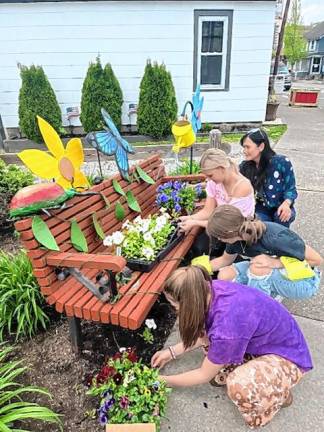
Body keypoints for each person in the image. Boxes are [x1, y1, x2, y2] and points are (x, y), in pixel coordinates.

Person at [151, 266, 313, 429]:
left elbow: (203, 375)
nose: (174, 309)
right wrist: (171, 352)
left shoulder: (226, 329)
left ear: (189, 302)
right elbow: (205, 334)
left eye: (174, 304)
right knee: (214, 350)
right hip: (268, 340)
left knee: (238, 384)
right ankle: (250, 369)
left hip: (289, 356)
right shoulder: (207, 288)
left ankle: (278, 393)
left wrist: (161, 381)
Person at [206, 205, 322, 299]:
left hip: (304, 280)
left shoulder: (275, 236)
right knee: (225, 275)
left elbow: (316, 260)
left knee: (257, 268)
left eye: (219, 236)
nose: (219, 239)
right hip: (276, 272)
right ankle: (244, 301)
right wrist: (198, 269)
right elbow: (224, 260)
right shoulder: (235, 239)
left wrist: (275, 262)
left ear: (229, 232)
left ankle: (259, 309)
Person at [178, 148, 255, 257]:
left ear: (221, 168)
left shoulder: (242, 187)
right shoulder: (214, 182)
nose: (208, 180)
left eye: (210, 175)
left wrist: (195, 222)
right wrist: (189, 218)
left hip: (238, 234)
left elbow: (228, 223)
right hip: (219, 229)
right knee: (197, 248)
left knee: (203, 249)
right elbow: (208, 211)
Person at [239, 128, 297, 227]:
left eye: (247, 147)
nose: (244, 151)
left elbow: (291, 189)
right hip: (260, 208)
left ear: (261, 146)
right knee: (260, 226)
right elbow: (234, 180)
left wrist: (287, 204)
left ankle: (284, 240)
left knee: (281, 218)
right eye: (243, 147)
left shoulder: (281, 162)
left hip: (282, 205)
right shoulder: (245, 167)